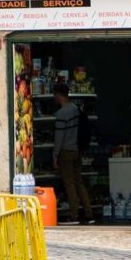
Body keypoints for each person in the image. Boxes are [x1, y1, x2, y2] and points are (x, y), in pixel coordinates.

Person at [52, 82, 94, 224]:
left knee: (69, 183)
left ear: (58, 95)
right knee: (79, 181)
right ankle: (89, 212)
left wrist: (55, 155)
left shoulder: (61, 113)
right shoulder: (76, 109)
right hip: (77, 150)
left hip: (65, 151)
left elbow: (59, 138)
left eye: (54, 95)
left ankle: (73, 214)